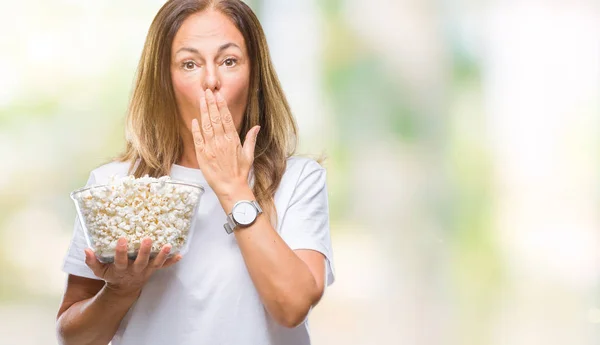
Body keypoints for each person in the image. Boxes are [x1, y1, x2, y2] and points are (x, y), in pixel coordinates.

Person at [55, 1, 335, 344]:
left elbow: (292, 308)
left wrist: (234, 189)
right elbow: (73, 338)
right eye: (189, 64)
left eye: (229, 61)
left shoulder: (297, 179)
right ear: (164, 81)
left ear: (254, 76)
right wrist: (120, 290)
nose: (211, 81)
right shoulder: (114, 186)